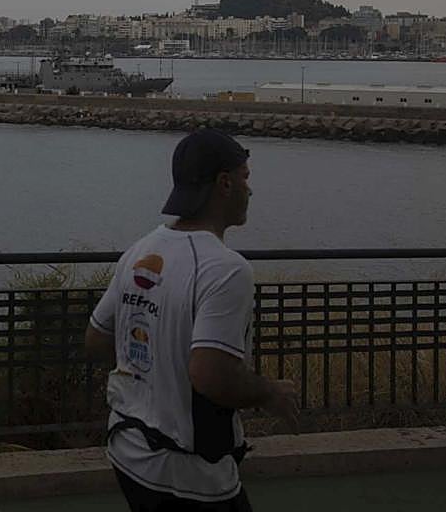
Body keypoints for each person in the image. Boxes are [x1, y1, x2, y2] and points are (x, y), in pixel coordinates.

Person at [85, 128, 298, 511]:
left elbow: (96, 338)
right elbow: (211, 375)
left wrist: (154, 365)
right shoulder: (226, 269)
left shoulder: (141, 250)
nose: (250, 190)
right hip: (187, 472)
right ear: (225, 184)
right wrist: (270, 393)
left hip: (127, 449)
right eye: (246, 178)